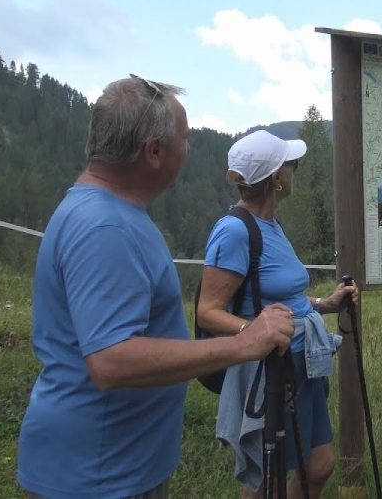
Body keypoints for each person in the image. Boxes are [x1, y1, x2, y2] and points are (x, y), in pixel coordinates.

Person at [16, 76, 295, 499]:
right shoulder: (105, 227)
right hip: (98, 476)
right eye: (183, 138)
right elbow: (112, 360)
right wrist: (244, 344)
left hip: (113, 465)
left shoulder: (108, 211)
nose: (189, 148)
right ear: (154, 152)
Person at [196, 129, 358, 499]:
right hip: (270, 370)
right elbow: (208, 312)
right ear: (276, 179)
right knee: (264, 478)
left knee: (318, 464)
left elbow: (286, 295)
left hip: (303, 364)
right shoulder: (235, 231)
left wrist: (325, 304)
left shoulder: (272, 226)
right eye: (290, 165)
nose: (294, 171)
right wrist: (255, 331)